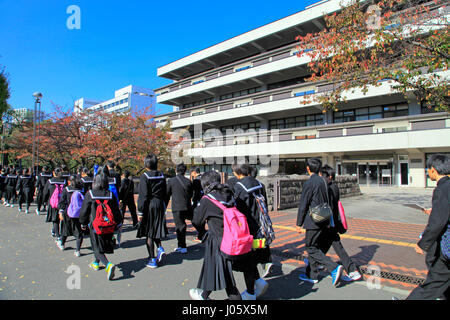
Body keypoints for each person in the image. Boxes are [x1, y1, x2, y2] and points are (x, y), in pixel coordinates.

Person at [189, 171, 242, 300]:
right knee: (223, 270)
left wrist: (202, 233)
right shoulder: (230, 194)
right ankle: (204, 294)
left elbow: (196, 221)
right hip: (234, 238)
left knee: (222, 271)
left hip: (217, 239)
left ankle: (203, 295)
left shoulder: (207, 200)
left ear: (205, 184)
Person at [405, 154, 450, 300]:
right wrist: (435, 210)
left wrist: (423, 243)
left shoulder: (441, 189)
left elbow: (437, 222)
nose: (427, 172)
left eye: (427, 169)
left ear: (433, 170)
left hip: (447, 245)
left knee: (433, 283)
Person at [296, 158, 344, 286]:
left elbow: (303, 204)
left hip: (314, 219)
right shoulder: (323, 181)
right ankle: (312, 275)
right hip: (324, 217)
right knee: (315, 245)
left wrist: (299, 223)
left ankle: (333, 267)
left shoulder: (310, 183)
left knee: (310, 246)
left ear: (308, 168)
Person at [318, 165, 361, 282]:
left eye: (322, 175)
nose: (321, 177)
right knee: (327, 244)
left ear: (329, 176)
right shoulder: (335, 187)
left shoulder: (328, 188)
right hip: (333, 222)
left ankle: (352, 270)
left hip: (329, 223)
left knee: (336, 246)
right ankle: (317, 263)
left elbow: (328, 206)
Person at [233, 163, 270, 300]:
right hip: (261, 229)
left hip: (248, 230)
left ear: (238, 173)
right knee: (253, 257)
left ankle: (250, 293)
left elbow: (238, 209)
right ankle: (259, 281)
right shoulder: (259, 184)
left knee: (247, 260)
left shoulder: (239, 187)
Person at [79, 167, 123, 281]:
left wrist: (83, 223)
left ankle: (108, 264)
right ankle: (95, 262)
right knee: (101, 244)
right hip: (108, 225)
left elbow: (84, 210)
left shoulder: (90, 194)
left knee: (96, 246)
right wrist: (118, 223)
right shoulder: (110, 194)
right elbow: (116, 211)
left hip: (96, 225)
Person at [137, 154, 168, 269]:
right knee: (156, 228)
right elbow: (165, 192)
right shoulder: (161, 175)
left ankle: (152, 259)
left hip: (150, 205)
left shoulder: (144, 176)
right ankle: (160, 248)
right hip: (159, 204)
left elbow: (143, 196)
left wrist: (140, 212)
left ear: (146, 164)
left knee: (149, 232)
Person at [249, 165, 274, 279]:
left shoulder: (246, 186)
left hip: (252, 217)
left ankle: (261, 264)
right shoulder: (261, 185)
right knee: (262, 240)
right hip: (261, 217)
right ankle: (266, 262)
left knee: (254, 242)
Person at [166, 163, 193, 254]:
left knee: (180, 226)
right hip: (187, 206)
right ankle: (182, 245)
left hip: (177, 207)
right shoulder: (188, 181)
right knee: (184, 224)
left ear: (176, 170)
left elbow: (167, 194)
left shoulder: (171, 181)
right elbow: (191, 194)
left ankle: (182, 246)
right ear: (185, 171)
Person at [58, 175, 85, 256]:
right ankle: (77, 250)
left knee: (65, 230)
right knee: (79, 233)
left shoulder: (67, 189)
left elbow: (62, 202)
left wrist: (61, 211)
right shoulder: (81, 191)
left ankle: (62, 244)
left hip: (68, 213)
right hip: (78, 214)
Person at [44, 167, 67, 246]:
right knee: (61, 219)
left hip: (53, 203)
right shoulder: (64, 181)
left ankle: (58, 235)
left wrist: (45, 201)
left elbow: (45, 192)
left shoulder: (50, 181)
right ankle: (57, 232)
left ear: (54, 173)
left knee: (55, 220)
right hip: (62, 203)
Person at [191, 166, 206, 243]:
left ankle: (203, 233)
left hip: (197, 201)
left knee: (194, 220)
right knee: (202, 219)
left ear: (194, 172)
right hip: (205, 200)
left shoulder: (196, 180)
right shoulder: (204, 178)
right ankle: (201, 235)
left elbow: (194, 193)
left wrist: (193, 201)